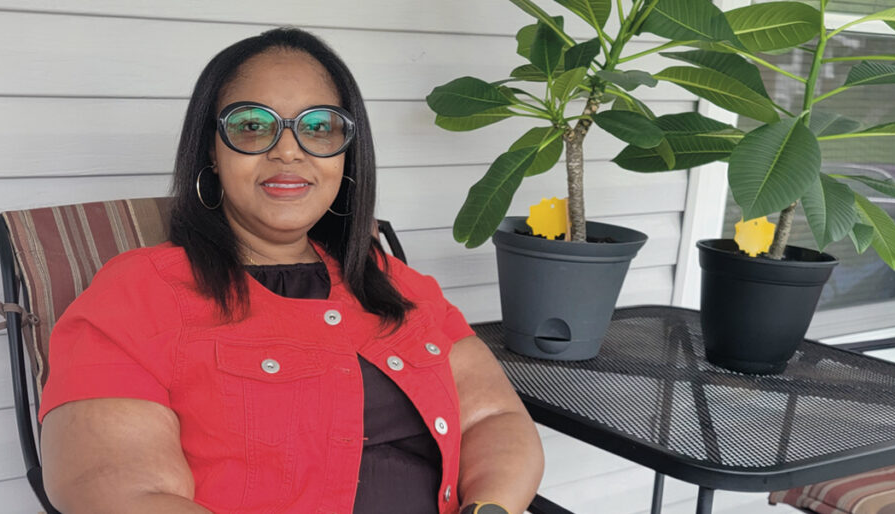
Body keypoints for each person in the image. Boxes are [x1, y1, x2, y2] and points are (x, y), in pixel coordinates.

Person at [37, 28, 544, 514]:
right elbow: (120, 488)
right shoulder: (137, 293)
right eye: (252, 125)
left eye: (319, 127)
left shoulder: (399, 285)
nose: (288, 150)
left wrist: (490, 507)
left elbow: (494, 417)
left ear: (346, 155)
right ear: (211, 152)